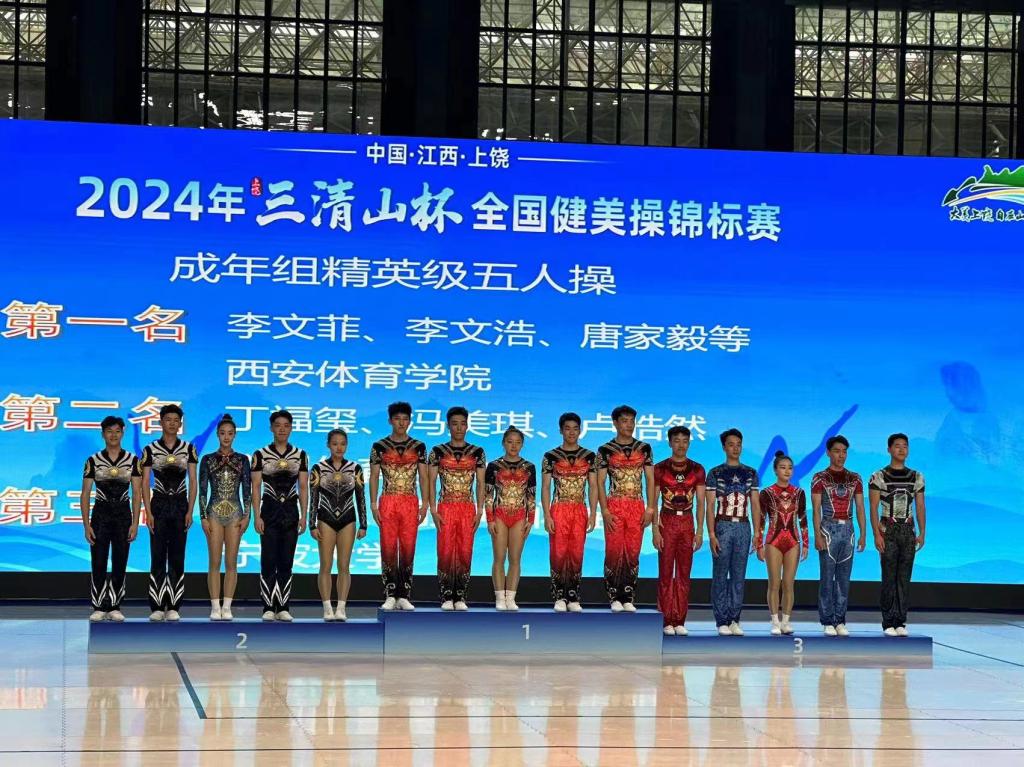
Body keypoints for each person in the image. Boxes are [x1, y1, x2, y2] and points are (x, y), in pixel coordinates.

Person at [81, 416, 142, 622]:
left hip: (123, 515)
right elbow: (85, 493)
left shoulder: (133, 460)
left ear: (122, 433)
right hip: (100, 515)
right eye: (109, 431)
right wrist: (86, 524)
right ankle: (98, 606)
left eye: (117, 431)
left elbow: (137, 493)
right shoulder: (93, 460)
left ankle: (115, 605)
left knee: (120, 560)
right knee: (98, 561)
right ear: (103, 434)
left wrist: (135, 522)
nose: (113, 435)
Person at [141, 404, 198, 622]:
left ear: (180, 424)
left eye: (176, 420)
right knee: (157, 556)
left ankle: (174, 605)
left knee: (177, 556)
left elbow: (193, 481)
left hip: (180, 506)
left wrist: (190, 510)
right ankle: (156, 606)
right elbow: (145, 482)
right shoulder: (150, 449)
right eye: (168, 420)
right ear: (161, 422)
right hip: (159, 505)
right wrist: (148, 511)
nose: (172, 423)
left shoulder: (188, 449)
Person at [596, 405, 656, 613]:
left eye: (632, 421)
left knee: (633, 551)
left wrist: (650, 508)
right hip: (615, 504)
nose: (629, 425)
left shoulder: (644, 448)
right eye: (624, 421)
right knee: (613, 550)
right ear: (615, 423)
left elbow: (650, 479)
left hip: (637, 505)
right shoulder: (605, 450)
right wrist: (605, 510)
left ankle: (628, 595)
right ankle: (613, 596)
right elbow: (600, 482)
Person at [369, 402, 428, 611]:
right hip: (388, 500)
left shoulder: (419, 446)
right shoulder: (379, 446)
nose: (401, 423)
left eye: (405, 419)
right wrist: (373, 505)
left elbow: (423, 477)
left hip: (410, 501)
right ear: (390, 421)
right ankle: (390, 593)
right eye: (397, 419)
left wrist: (425, 504)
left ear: (410, 421)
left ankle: (404, 594)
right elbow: (374, 476)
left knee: (408, 547)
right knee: (388, 547)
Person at [252, 410, 309, 622]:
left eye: (286, 425)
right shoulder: (260, 454)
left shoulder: (300, 455)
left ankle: (283, 606)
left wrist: (304, 516)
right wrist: (257, 516)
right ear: (271, 428)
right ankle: (268, 606)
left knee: (286, 561)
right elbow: (256, 487)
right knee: (268, 561)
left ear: (291, 428)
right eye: (278, 425)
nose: (282, 429)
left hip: (291, 513)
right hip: (269, 512)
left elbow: (303, 487)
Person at [428, 406, 486, 610]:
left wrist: (480, 510)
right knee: (444, 550)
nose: (459, 428)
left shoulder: (477, 452)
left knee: (464, 550)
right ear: (448, 426)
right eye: (455, 424)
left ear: (467, 426)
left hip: (467, 507)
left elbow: (481, 483)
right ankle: (446, 596)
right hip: (445, 506)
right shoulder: (437, 452)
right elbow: (431, 481)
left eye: (462, 424)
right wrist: (433, 509)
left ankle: (460, 596)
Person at [869, 433, 926, 637]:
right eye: (897, 446)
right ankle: (888, 622)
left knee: (904, 577)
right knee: (888, 577)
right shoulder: (879, 476)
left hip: (908, 531)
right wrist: (876, 535)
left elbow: (920, 506)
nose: (902, 450)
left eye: (905, 446)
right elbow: (873, 507)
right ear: (889, 449)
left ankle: (900, 621)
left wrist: (922, 532)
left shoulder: (916, 476)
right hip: (888, 530)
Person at [706, 428, 761, 636]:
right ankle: (721, 620)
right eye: (731, 444)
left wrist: (757, 533)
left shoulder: (750, 473)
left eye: (738, 444)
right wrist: (711, 534)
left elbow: (755, 505)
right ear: (724, 447)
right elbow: (709, 507)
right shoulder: (715, 473)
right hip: (723, 525)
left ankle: (734, 619)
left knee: (739, 575)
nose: (735, 448)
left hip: (743, 527)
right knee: (720, 574)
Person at [651, 425, 706, 636]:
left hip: (687, 523)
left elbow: (701, 503)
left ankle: (680, 619)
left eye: (684, 441)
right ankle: (665, 619)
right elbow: (653, 502)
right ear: (670, 443)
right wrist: (655, 530)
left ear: (689, 443)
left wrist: (699, 531)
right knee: (665, 573)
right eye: (676, 441)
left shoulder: (697, 469)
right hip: (667, 522)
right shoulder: (660, 468)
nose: (681, 445)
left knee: (684, 573)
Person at [541, 412, 598, 612]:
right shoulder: (550, 456)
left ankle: (573, 596)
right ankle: (559, 596)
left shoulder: (589, 457)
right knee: (558, 552)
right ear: (560, 431)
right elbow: (545, 487)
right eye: (567, 428)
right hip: (559, 508)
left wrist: (593, 513)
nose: (572, 432)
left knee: (576, 552)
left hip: (579, 508)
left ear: (580, 430)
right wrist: (547, 514)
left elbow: (593, 486)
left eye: (575, 429)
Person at [310, 429, 368, 622]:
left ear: (347, 445)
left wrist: (364, 524)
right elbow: (313, 498)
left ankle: (341, 607)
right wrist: (312, 524)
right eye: (335, 443)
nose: (339, 447)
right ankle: (327, 607)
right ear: (328, 445)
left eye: (342, 443)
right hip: (325, 519)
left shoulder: (355, 468)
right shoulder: (318, 468)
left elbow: (361, 498)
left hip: (348, 520)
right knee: (325, 565)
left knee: (344, 565)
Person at [198, 414, 251, 621]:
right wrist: (203, 517)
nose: (226, 437)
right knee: (214, 561)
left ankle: (227, 606)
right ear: (217, 435)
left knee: (231, 562)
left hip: (235, 513)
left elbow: (247, 490)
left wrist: (247, 515)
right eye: (222, 433)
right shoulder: (208, 459)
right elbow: (203, 491)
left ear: (235, 435)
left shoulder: (242, 460)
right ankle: (214, 606)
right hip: (213, 512)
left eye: (230, 433)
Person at [811, 435, 866, 637]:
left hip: (848, 531)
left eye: (844, 452)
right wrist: (817, 535)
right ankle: (827, 620)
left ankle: (840, 620)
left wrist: (863, 534)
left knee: (844, 578)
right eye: (837, 451)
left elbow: (860, 507)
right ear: (828, 453)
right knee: (827, 578)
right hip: (828, 529)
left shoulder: (855, 478)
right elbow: (816, 509)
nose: (841, 455)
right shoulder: (820, 478)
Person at [756, 451, 808, 636]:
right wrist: (759, 544)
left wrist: (806, 543)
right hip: (773, 541)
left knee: (788, 583)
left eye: (790, 468)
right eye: (783, 467)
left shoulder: (799, 493)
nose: (787, 471)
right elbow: (761, 520)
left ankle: (786, 621)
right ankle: (775, 621)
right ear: (775, 470)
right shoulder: (766, 493)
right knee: (774, 583)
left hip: (793, 541)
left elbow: (803, 518)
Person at [485, 427, 537, 611]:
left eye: (518, 442)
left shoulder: (529, 467)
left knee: (515, 558)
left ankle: (511, 598)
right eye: (510, 442)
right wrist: (490, 519)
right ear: (503, 443)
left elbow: (531, 495)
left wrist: (531, 519)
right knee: (499, 558)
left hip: (519, 516)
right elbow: (488, 495)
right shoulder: (493, 466)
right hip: (499, 514)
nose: (513, 446)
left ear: (522, 444)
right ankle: (500, 597)